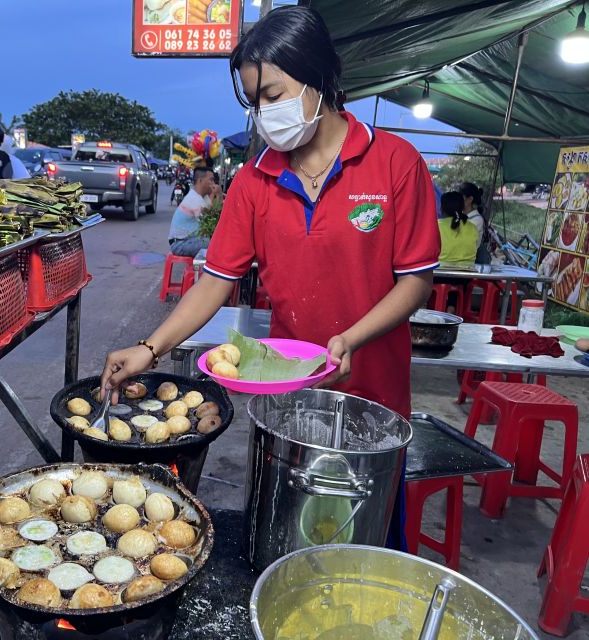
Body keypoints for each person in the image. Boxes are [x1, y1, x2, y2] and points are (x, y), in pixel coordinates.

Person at [100, 5, 440, 550]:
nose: (264, 113)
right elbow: (215, 280)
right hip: (287, 393)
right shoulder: (257, 181)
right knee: (284, 536)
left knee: (365, 542)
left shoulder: (395, 162)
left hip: (374, 395)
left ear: (321, 79)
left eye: (274, 95)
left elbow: (415, 281)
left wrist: (350, 339)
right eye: (254, 100)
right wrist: (151, 346)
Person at [167, 166, 218, 257]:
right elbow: (210, 223)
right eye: (211, 180)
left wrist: (215, 194)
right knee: (212, 244)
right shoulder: (194, 199)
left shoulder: (203, 197)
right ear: (200, 181)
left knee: (212, 241)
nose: (213, 183)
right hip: (179, 244)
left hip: (190, 240)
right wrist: (218, 195)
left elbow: (213, 212)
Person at [438, 191, 479, 266]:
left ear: (441, 208)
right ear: (462, 207)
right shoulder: (472, 228)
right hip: (467, 274)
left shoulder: (436, 227)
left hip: (440, 274)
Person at [458, 182, 485, 248]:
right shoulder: (459, 214)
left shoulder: (477, 220)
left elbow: (462, 242)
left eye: (460, 197)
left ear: (470, 199)